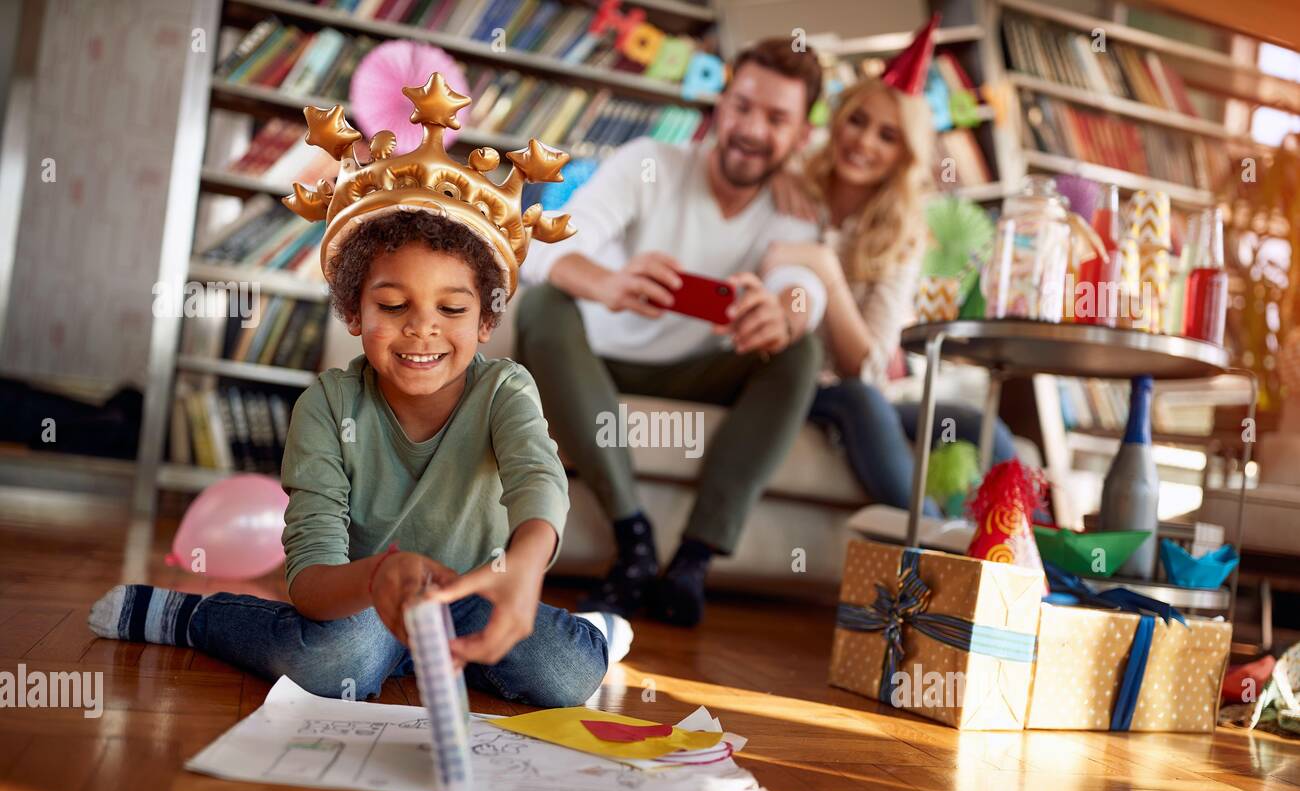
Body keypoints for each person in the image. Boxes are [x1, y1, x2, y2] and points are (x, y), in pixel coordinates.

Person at [87, 74, 629, 706]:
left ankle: (585, 632)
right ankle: (191, 617)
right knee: (333, 666)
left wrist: (526, 568)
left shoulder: (506, 388)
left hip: (470, 600)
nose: (422, 326)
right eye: (393, 303)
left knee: (565, 674)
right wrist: (378, 576)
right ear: (353, 313)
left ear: (486, 321)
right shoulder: (327, 404)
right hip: (361, 604)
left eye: (452, 310)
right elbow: (310, 580)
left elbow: (540, 481)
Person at [515, 38, 829, 627]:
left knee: (801, 349)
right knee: (545, 307)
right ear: (720, 105)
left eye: (776, 118)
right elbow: (544, 246)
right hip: (597, 363)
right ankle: (633, 539)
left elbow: (803, 285)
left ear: (800, 136)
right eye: (742, 107)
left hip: (699, 370)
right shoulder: (649, 162)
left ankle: (694, 559)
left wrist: (783, 312)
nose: (752, 129)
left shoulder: (795, 207)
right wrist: (607, 282)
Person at [764, 22, 1017, 517]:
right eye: (857, 121)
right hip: (793, 382)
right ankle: (931, 537)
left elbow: (868, 362)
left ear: (905, 153)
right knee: (859, 401)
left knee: (984, 429)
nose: (864, 143)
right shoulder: (791, 189)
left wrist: (825, 272)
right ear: (838, 122)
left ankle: (1015, 552)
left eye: (887, 135)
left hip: (859, 388)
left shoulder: (902, 236)